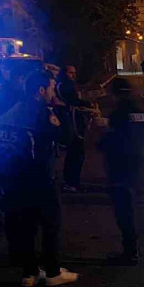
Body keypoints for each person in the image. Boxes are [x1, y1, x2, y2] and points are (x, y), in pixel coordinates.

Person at [0, 70, 78, 286]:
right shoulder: (42, 113)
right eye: (51, 87)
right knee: (51, 225)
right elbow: (67, 139)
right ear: (41, 90)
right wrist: (62, 112)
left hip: (14, 179)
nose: (53, 91)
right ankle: (52, 272)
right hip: (41, 179)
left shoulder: (11, 111)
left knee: (26, 227)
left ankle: (29, 273)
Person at [100, 78, 144, 265]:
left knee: (124, 211)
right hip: (136, 165)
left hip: (120, 167)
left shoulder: (118, 115)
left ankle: (130, 252)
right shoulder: (143, 113)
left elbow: (110, 142)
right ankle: (132, 249)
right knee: (132, 207)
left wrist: (102, 132)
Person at [57, 65, 96, 193]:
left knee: (75, 153)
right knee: (76, 153)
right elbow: (73, 101)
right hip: (72, 123)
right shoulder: (65, 85)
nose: (73, 75)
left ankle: (72, 181)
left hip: (73, 122)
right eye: (70, 73)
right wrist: (87, 104)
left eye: (74, 73)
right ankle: (71, 182)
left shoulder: (64, 84)